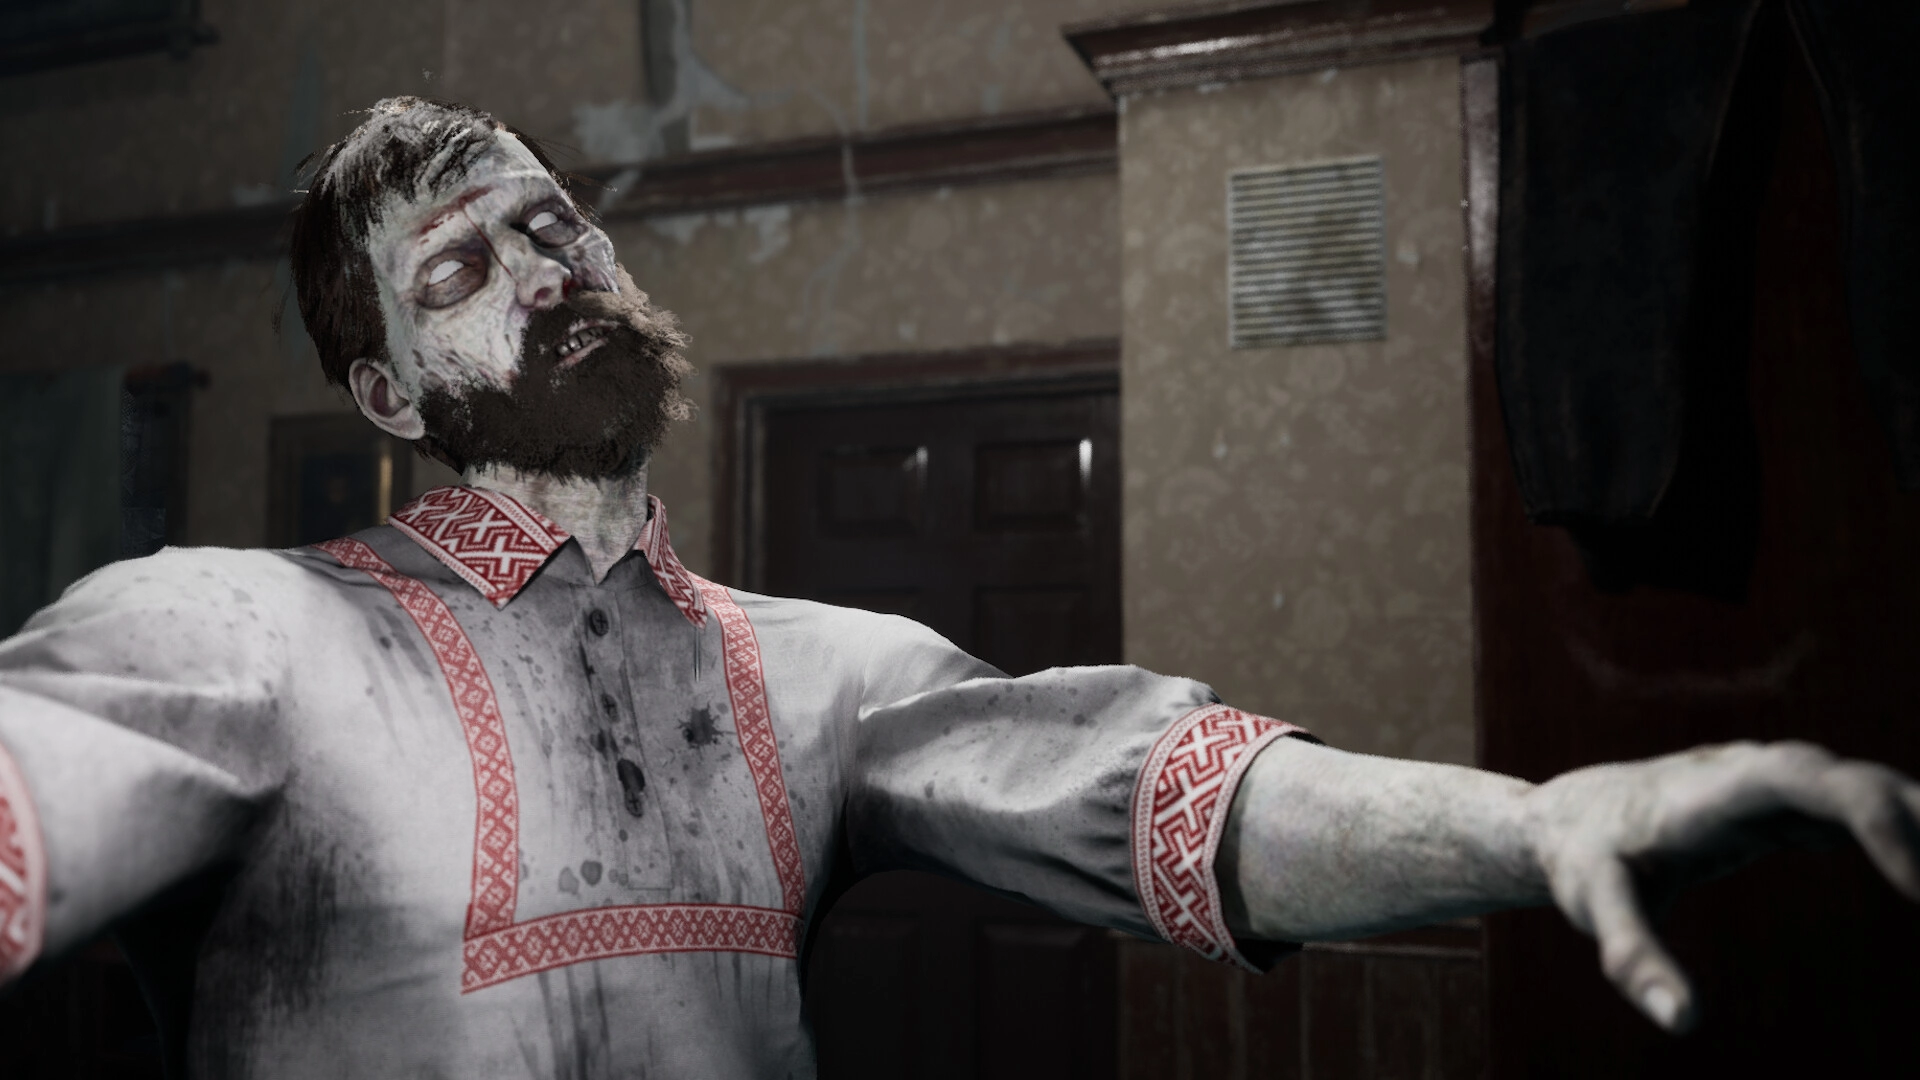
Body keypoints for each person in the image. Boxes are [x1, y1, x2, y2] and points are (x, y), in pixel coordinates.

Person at [0, 97, 1914, 1078]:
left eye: (553, 219)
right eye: (458, 269)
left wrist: (1535, 823)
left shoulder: (818, 676)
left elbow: (1168, 800)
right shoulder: (243, 630)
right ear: (388, 397)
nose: (546, 267)